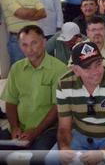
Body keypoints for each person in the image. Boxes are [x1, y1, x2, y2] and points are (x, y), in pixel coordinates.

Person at [46, 42, 105, 165]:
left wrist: (102, 153)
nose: (95, 72)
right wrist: (65, 147)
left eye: (98, 64)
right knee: (51, 160)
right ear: (76, 70)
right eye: (87, 67)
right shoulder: (64, 84)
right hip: (80, 135)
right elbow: (64, 127)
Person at [0, 25, 67, 156]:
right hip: (19, 128)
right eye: (24, 45)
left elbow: (57, 107)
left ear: (44, 42)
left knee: (37, 156)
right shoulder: (16, 68)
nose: (29, 49)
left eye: (34, 43)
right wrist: (14, 127)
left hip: (47, 129)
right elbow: (11, 101)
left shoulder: (59, 69)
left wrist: (35, 131)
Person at [2, 0, 46, 65]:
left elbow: (43, 13)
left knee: (36, 67)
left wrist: (25, 13)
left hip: (35, 38)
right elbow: (21, 13)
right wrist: (34, 11)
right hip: (17, 40)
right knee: (20, 70)